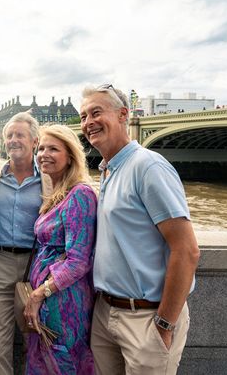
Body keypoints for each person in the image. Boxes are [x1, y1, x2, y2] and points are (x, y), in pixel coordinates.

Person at [80, 84, 200, 375]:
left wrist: (164, 325)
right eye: (83, 116)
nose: (88, 122)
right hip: (106, 313)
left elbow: (186, 250)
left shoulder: (147, 167)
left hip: (146, 317)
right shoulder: (109, 169)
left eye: (97, 112)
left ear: (124, 114)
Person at [23, 124, 97, 374]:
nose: (44, 154)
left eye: (53, 149)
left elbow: (78, 261)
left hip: (63, 303)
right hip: (48, 300)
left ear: (70, 157)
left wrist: (38, 294)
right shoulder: (57, 193)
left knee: (61, 362)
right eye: (41, 148)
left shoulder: (80, 195)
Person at [0, 111, 52, 375]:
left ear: (35, 141)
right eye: (9, 135)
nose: (13, 140)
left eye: (20, 135)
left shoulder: (50, 178)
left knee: (35, 340)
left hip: (36, 265)